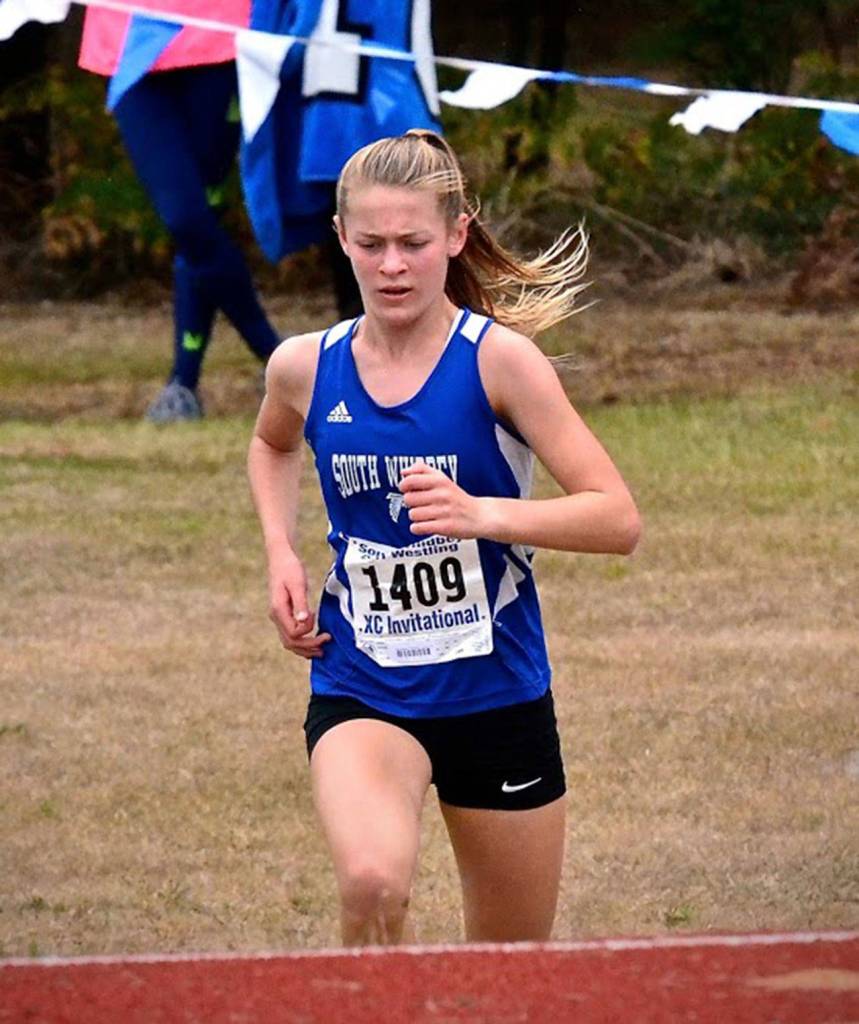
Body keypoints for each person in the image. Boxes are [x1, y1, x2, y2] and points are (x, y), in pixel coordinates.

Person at [247, 130, 641, 946]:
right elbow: (272, 442)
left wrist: (483, 514)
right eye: (371, 244)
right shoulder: (304, 366)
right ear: (341, 239)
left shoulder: (502, 364)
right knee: (370, 881)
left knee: (506, 967)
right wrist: (280, 551)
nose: (392, 265)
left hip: (495, 695)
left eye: (414, 243)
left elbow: (615, 516)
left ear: (456, 236)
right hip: (361, 685)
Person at [78, 1, 362, 422]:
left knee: (200, 219)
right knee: (187, 219)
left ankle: (183, 383)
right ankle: (278, 360)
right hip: (130, 38)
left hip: (219, 36)